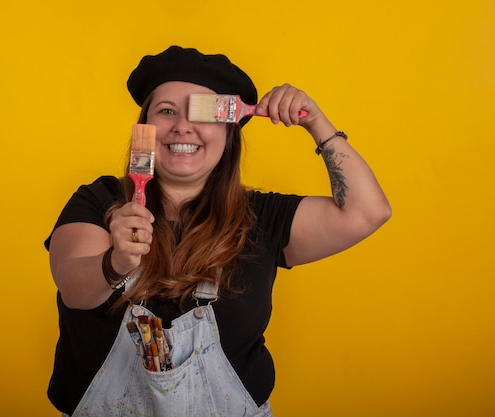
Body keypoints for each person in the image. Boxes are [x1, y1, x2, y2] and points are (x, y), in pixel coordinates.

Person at [44, 45, 391, 417]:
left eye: (201, 113)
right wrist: (114, 263)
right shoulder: (100, 201)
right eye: (166, 111)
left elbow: (367, 212)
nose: (182, 126)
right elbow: (74, 288)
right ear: (144, 129)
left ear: (229, 135)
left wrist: (316, 123)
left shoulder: (263, 217)